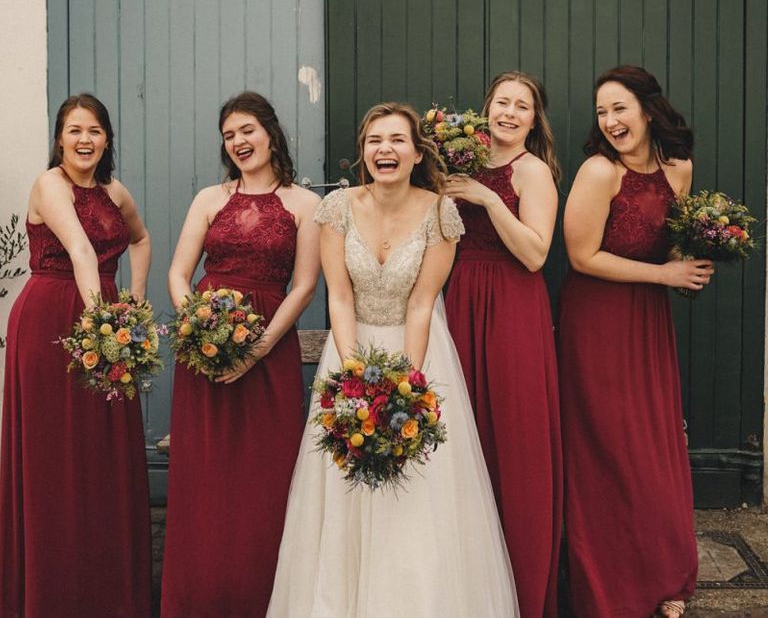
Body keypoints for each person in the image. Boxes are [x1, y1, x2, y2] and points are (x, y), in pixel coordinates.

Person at [267, 102, 519, 617]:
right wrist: (354, 376)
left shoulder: (439, 212)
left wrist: (406, 385)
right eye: (375, 141)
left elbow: (423, 303)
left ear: (415, 151)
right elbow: (337, 296)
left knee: (417, 492)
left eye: (397, 140)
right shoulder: (337, 208)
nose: (386, 149)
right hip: (350, 351)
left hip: (417, 353)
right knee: (341, 489)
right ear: (363, 152)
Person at [558, 65, 713, 618]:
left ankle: (662, 570)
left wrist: (688, 262)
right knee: (608, 446)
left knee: (653, 443)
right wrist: (664, 276)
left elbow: (666, 247)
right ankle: (608, 584)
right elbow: (581, 257)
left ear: (648, 110)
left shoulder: (679, 169)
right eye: (602, 111)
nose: (610, 120)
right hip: (596, 320)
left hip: (648, 321)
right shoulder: (598, 172)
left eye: (619, 108)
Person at [161, 91, 320, 617]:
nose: (239, 141)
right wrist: (199, 327)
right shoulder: (210, 198)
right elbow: (178, 275)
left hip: (268, 353)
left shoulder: (305, 204)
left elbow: (303, 287)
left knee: (263, 478)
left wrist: (255, 350)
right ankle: (200, 597)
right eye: (229, 135)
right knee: (205, 476)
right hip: (204, 350)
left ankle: (263, 598)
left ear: (271, 134)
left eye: (247, 130)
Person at [0, 94, 152, 617]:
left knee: (102, 450)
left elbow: (142, 238)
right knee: (55, 453)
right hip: (51, 321)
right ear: (59, 138)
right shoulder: (49, 185)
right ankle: (53, 592)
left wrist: (132, 299)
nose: (84, 139)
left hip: (103, 313)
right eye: (73, 130)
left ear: (107, 138)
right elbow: (83, 252)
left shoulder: (114, 191)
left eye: (94, 130)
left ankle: (106, 590)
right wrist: (106, 331)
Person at [445, 71, 562, 617]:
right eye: (502, 102)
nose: (509, 113)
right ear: (485, 107)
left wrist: (489, 200)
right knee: (460, 434)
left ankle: (520, 583)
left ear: (533, 120)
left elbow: (536, 254)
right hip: (461, 299)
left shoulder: (533, 172)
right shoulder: (458, 160)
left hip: (514, 305)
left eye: (522, 106)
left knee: (515, 436)